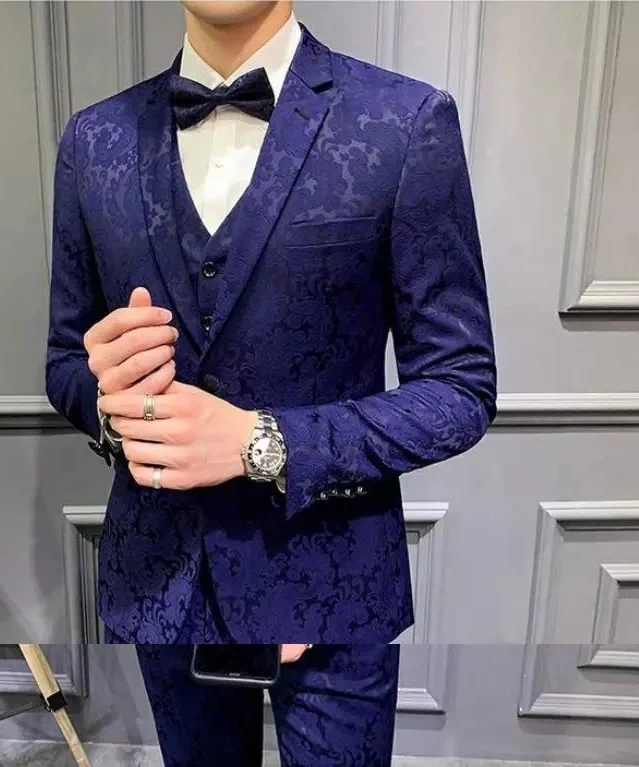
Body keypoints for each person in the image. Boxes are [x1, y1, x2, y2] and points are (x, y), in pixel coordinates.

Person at [46, 1, 495, 762]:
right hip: (166, 574)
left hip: (334, 573)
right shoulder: (93, 140)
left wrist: (262, 441)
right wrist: (115, 408)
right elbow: (65, 360)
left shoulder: (405, 122)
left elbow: (460, 387)